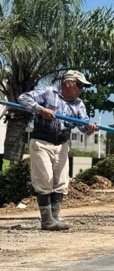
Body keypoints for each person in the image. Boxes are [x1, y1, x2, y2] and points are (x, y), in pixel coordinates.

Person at [17, 70, 97, 231]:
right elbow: (23, 98)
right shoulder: (48, 92)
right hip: (42, 142)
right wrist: (41, 109)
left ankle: (54, 217)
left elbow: (83, 125)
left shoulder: (79, 104)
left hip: (61, 144)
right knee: (44, 178)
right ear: (69, 83)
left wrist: (89, 127)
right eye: (80, 85)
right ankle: (47, 220)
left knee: (61, 181)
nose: (81, 90)